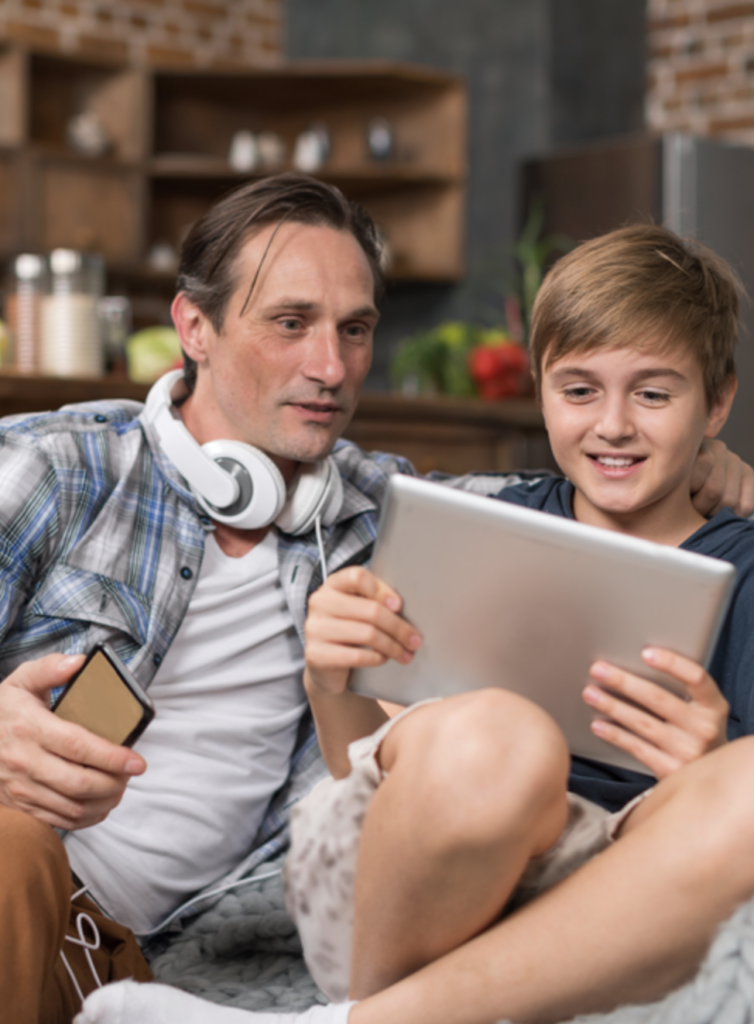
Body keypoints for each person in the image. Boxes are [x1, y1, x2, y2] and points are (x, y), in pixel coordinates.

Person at [75, 225, 754, 1024]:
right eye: (578, 391)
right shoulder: (477, 521)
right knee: (499, 739)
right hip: (421, 858)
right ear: (539, 390)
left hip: (626, 880)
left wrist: (711, 760)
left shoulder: (741, 563)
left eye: (653, 394)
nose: (612, 425)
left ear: (717, 404)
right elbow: (361, 760)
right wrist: (330, 681)